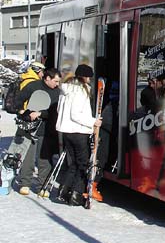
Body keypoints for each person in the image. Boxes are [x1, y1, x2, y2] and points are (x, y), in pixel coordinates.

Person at [56, 64, 102, 206]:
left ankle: (63, 191)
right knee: (83, 164)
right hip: (79, 131)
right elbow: (76, 114)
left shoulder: (66, 90)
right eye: (88, 77)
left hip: (66, 131)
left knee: (74, 163)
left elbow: (59, 110)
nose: (89, 79)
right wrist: (93, 122)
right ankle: (76, 194)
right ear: (84, 77)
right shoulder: (80, 91)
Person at [14, 68, 62, 196]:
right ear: (47, 78)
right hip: (30, 127)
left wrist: (41, 114)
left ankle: (43, 185)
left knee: (44, 158)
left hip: (47, 129)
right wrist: (21, 111)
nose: (57, 84)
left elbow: (56, 112)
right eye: (55, 81)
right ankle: (25, 183)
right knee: (28, 156)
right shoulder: (33, 86)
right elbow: (19, 99)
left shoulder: (58, 93)